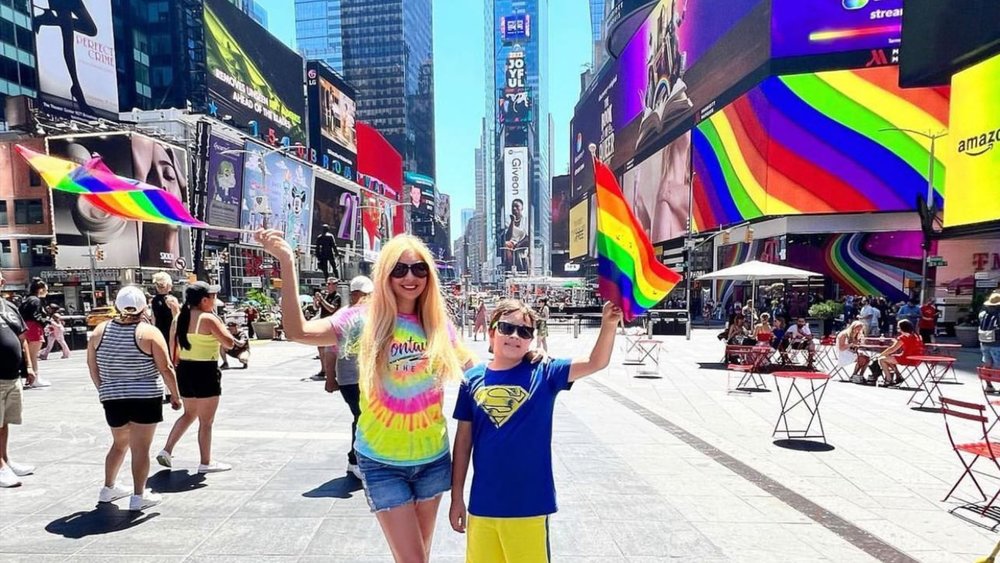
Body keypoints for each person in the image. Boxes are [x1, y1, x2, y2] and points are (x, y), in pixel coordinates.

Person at [257, 229, 474, 563]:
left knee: (420, 555)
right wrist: (287, 263)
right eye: (399, 269)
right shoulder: (363, 320)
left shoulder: (437, 325)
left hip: (433, 460)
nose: (410, 277)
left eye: (419, 269)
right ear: (384, 274)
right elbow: (298, 331)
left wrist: (523, 362)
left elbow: (475, 373)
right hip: (382, 462)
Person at [449, 299, 622, 562]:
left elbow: (595, 361)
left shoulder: (544, 371)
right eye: (507, 328)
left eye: (525, 331)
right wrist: (456, 497)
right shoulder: (471, 380)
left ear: (532, 339)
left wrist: (608, 325)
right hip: (483, 505)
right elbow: (463, 444)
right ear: (491, 331)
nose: (515, 336)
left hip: (528, 506)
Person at [87, 286, 182, 510]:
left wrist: (103, 389)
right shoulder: (148, 332)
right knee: (140, 448)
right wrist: (175, 395)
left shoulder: (100, 331)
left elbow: (92, 365)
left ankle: (108, 488)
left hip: (112, 397)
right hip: (144, 397)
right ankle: (139, 496)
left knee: (119, 444)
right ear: (143, 306)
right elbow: (166, 367)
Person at [156, 282, 235, 474]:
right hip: (205, 370)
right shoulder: (208, 319)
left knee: (189, 414)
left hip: (184, 369)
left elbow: (171, 345)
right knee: (206, 422)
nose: (215, 300)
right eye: (213, 297)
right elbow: (230, 343)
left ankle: (166, 450)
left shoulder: (179, 318)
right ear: (204, 300)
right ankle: (205, 462)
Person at [324, 276, 374, 479]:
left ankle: (355, 460)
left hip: (352, 378)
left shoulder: (342, 314)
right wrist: (329, 378)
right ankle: (355, 460)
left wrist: (330, 378)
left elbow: (329, 350)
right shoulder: (361, 316)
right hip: (356, 378)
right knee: (363, 417)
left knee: (361, 417)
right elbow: (330, 350)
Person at [0, 272, 37, 488]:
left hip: (12, 376)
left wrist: (29, 366)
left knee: (4, 423)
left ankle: (5, 459)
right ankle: (0, 467)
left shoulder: (9, 306)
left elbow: (22, 339)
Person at [18, 278, 52, 388]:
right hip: (34, 328)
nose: (47, 292)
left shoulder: (26, 299)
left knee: (29, 355)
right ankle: (35, 378)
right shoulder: (36, 301)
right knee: (33, 356)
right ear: (41, 289)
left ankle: (30, 378)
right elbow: (36, 316)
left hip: (25, 328)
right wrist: (45, 322)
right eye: (46, 290)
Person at [876, 320, 925, 387]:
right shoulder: (917, 336)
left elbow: (892, 349)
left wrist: (880, 355)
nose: (897, 328)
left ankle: (888, 380)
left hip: (907, 358)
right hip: (917, 359)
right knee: (890, 357)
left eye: (898, 327)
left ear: (902, 328)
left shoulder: (903, 337)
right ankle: (898, 376)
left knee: (882, 359)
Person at [313, 277, 343, 381]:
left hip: (332, 325)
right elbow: (316, 308)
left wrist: (322, 300)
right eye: (328, 284)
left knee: (331, 349)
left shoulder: (337, 297)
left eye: (331, 284)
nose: (329, 286)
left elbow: (331, 309)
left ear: (335, 285)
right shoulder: (326, 296)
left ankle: (333, 370)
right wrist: (316, 300)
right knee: (321, 348)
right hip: (323, 324)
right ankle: (323, 369)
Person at [979, 292, 1000, 394]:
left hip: (984, 342)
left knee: (988, 364)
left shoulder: (983, 314)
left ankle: (989, 385)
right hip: (997, 343)